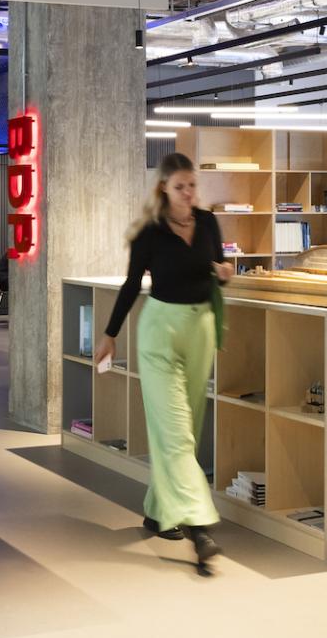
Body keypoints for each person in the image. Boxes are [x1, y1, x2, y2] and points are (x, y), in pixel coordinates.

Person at [93, 152, 233, 575]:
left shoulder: (207, 222)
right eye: (180, 186)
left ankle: (158, 512)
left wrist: (226, 270)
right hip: (159, 333)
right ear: (163, 188)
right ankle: (199, 525)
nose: (189, 193)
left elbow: (221, 263)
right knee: (175, 432)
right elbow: (133, 285)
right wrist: (110, 334)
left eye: (192, 185)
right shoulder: (150, 233)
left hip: (200, 329)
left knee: (185, 427)